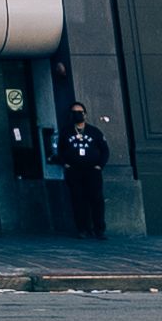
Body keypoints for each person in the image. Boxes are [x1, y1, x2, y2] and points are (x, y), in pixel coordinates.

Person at [60, 101, 111, 239]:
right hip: (74, 171)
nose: (77, 115)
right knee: (78, 200)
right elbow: (60, 149)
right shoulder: (66, 132)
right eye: (74, 112)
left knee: (96, 199)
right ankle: (83, 229)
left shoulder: (94, 132)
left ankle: (99, 229)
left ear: (85, 114)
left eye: (80, 112)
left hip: (92, 171)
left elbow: (105, 150)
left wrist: (99, 165)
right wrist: (65, 163)